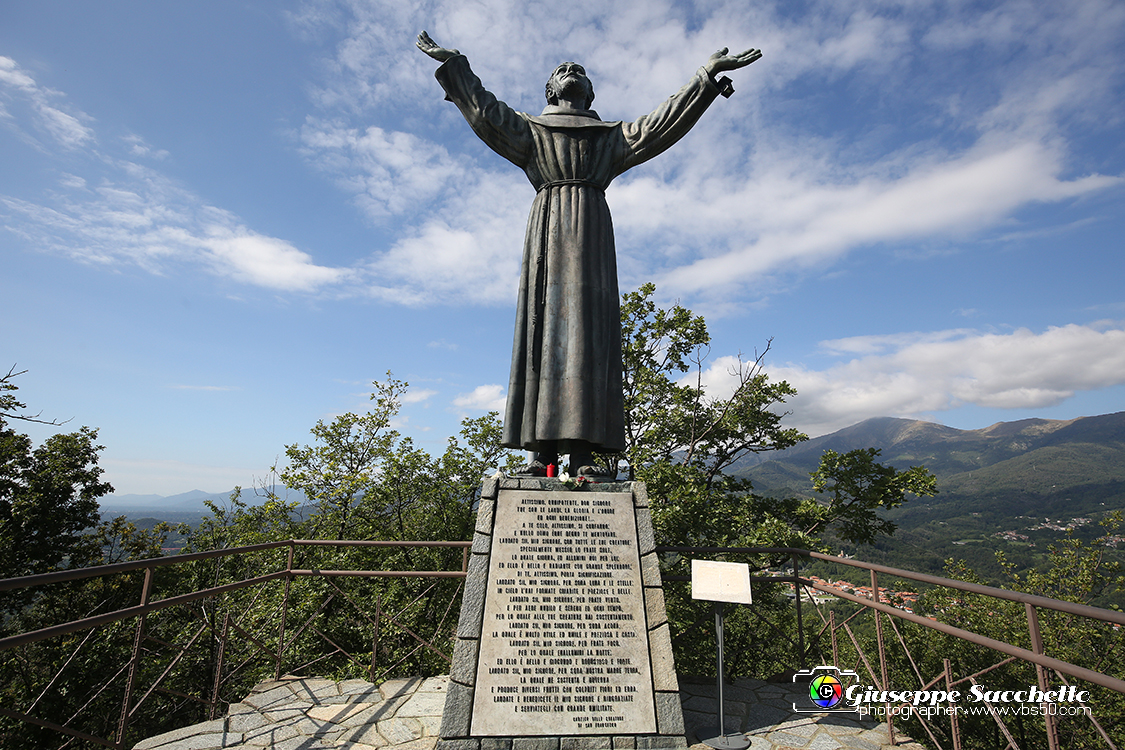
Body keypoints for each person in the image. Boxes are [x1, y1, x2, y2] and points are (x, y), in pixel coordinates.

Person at [417, 31, 761, 478]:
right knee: (543, 331)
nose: (570, 71)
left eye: (578, 70)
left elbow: (662, 124)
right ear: (550, 90)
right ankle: (540, 456)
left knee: (587, 336)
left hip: (592, 237)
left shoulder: (610, 137)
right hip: (547, 231)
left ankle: (582, 455)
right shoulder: (531, 131)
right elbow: (485, 112)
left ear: (590, 91)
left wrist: (705, 76)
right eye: (562, 70)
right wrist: (457, 66)